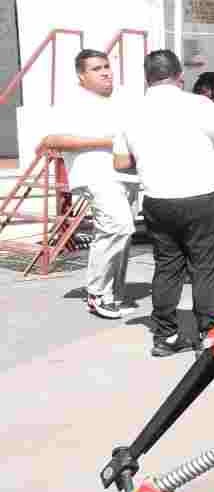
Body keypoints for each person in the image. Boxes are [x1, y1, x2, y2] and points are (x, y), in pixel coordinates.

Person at [113, 49, 214, 356]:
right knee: (205, 266)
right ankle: (208, 334)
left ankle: (165, 336)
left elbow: (120, 163)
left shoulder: (130, 112)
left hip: (157, 200)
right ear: (179, 77)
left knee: (167, 266)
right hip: (200, 198)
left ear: (147, 78)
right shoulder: (200, 104)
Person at [36, 49, 138, 319]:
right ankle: (96, 293)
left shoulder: (123, 97)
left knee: (123, 234)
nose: (105, 72)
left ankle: (113, 295)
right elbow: (51, 140)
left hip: (128, 175)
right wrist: (107, 141)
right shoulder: (72, 103)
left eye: (106, 66)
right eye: (96, 69)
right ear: (82, 76)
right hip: (95, 174)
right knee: (119, 225)